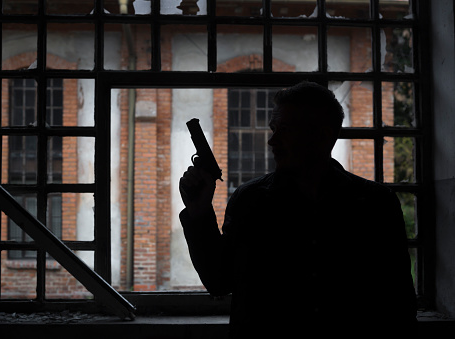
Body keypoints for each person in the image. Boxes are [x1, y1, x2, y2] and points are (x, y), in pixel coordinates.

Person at [179, 81, 418, 338]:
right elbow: (219, 281)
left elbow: (399, 304)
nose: (272, 140)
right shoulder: (249, 201)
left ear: (322, 134)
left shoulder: (377, 205)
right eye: (274, 129)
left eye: (285, 129)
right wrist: (199, 212)